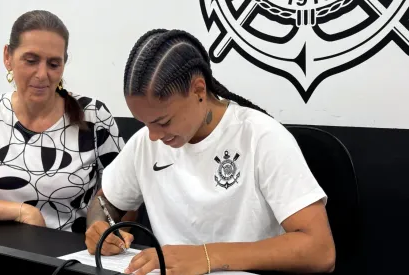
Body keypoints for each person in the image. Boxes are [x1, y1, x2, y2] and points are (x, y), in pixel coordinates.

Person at [84, 29, 336, 274]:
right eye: (144, 123)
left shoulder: (261, 137)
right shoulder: (145, 143)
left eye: (163, 122)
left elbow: (320, 251)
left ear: (198, 90)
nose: (153, 135)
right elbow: (105, 200)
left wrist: (207, 256)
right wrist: (98, 225)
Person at [0, 10, 136, 233]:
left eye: (53, 64)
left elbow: (126, 199)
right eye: (31, 60)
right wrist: (22, 212)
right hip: (6, 252)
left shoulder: (94, 116)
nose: (42, 74)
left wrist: (108, 234)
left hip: (76, 258)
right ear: (8, 56)